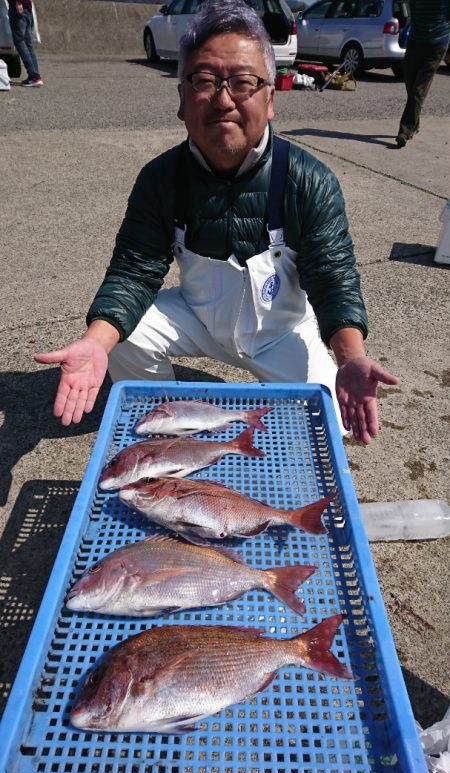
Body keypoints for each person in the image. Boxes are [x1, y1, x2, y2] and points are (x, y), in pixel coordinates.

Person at [35, 0, 399, 445]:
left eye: (243, 82)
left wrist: (351, 357)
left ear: (270, 100)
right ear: (182, 100)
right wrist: (95, 342)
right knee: (120, 336)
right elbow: (133, 271)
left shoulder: (309, 179)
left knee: (331, 424)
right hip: (199, 317)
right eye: (204, 81)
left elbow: (333, 277)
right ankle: (169, 426)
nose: (224, 100)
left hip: (281, 333)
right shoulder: (160, 178)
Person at [396, 0, 450, 148]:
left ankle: (405, 130)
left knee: (418, 90)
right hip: (415, 41)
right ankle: (414, 123)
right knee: (410, 84)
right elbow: (412, 10)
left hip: (437, 43)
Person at [8, 0, 43, 87]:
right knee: (28, 45)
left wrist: (18, 2)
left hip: (18, 9)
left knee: (20, 43)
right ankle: (36, 76)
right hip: (27, 9)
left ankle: (34, 76)